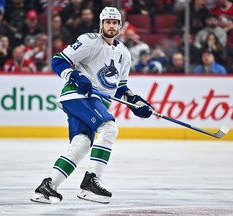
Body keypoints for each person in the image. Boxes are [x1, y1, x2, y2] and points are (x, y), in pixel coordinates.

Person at [31, 7, 154, 205]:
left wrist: (136, 101)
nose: (111, 25)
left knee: (81, 143)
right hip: (79, 95)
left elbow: (120, 86)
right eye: (107, 22)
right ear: (101, 24)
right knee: (109, 128)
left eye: (115, 22)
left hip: (96, 101)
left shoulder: (124, 53)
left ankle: (47, 188)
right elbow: (58, 60)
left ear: (120, 26)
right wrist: (74, 75)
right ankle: (91, 181)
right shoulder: (89, 41)